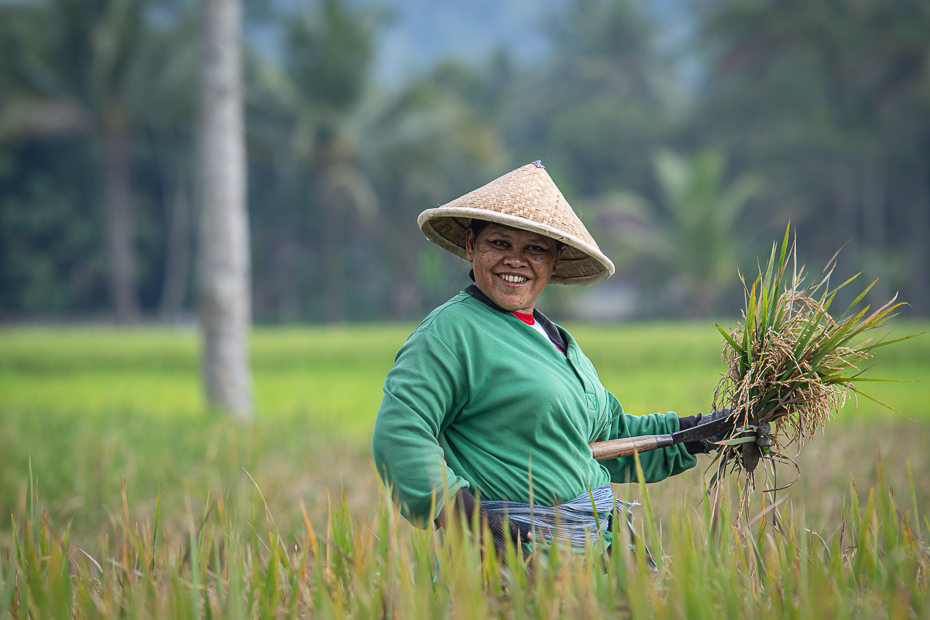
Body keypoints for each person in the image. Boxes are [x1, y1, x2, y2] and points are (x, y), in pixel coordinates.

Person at [371, 161, 721, 559]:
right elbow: (400, 434)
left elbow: (605, 438)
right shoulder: (451, 334)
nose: (516, 260)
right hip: (508, 560)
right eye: (500, 243)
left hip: (591, 556)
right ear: (471, 246)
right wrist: (473, 524)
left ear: (554, 261)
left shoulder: (556, 340)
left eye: (535, 249)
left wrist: (702, 432)